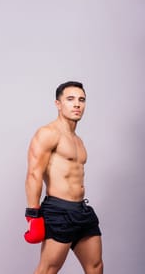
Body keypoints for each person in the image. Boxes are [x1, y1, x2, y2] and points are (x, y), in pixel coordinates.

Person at [24, 81, 103, 274]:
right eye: (70, 99)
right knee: (48, 269)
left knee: (95, 266)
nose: (77, 104)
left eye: (81, 100)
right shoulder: (48, 133)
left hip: (81, 210)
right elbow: (34, 173)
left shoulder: (77, 140)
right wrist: (33, 215)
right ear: (58, 104)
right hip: (58, 212)